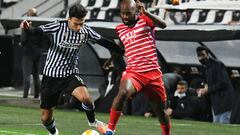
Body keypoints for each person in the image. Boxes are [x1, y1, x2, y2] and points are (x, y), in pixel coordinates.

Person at [20, 4, 123, 135]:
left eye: (82, 23)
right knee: (45, 118)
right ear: (69, 19)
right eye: (76, 24)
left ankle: (93, 122)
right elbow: (38, 31)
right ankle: (53, 132)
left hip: (70, 74)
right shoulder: (57, 26)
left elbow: (104, 42)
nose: (79, 27)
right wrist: (28, 28)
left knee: (86, 98)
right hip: (51, 76)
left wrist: (123, 51)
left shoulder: (85, 31)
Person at [100, 0, 171, 135]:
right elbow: (121, 48)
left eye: (129, 13)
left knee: (160, 111)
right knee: (123, 92)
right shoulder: (120, 29)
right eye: (123, 14)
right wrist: (110, 60)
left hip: (153, 74)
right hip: (134, 72)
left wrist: (146, 12)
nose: (125, 16)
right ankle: (110, 130)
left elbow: (163, 24)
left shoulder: (145, 20)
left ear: (136, 12)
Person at [196, 46, 234, 124]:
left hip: (224, 99)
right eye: (199, 55)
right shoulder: (204, 67)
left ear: (207, 54)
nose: (201, 57)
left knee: (224, 124)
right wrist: (204, 87)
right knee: (216, 125)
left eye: (203, 54)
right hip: (215, 102)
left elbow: (223, 82)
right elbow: (207, 82)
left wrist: (208, 90)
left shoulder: (217, 64)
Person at [21, 8, 41, 98]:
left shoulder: (26, 23)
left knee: (26, 75)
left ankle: (25, 96)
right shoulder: (40, 24)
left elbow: (23, 40)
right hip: (38, 53)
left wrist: (21, 43)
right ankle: (36, 96)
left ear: (29, 14)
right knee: (36, 76)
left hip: (28, 53)